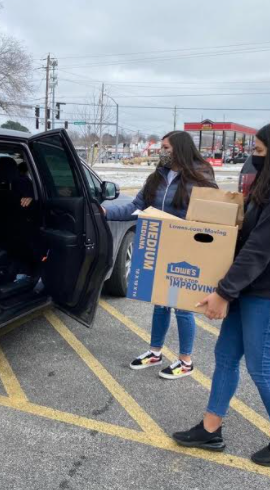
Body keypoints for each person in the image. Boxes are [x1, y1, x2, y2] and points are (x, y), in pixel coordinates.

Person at [173, 122, 270, 467]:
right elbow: (246, 235)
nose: (253, 158)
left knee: (262, 368)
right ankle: (211, 429)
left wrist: (224, 292)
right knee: (225, 356)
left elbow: (260, 246)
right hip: (251, 288)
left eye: (258, 151)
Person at [105, 131, 217, 379]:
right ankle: (155, 351)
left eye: (166, 147)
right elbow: (137, 207)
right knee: (160, 302)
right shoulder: (157, 176)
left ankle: (185, 361)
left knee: (183, 306)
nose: (161, 151)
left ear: (180, 149)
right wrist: (106, 213)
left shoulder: (201, 176)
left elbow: (212, 216)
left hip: (188, 250)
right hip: (159, 246)